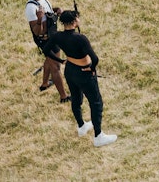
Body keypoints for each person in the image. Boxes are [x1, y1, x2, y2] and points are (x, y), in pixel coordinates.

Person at [42, 10, 118, 147]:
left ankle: (81, 126)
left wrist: (60, 60)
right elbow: (95, 58)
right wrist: (92, 68)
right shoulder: (80, 38)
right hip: (84, 72)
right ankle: (98, 136)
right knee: (96, 103)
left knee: (76, 99)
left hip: (70, 70)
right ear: (74, 21)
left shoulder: (57, 36)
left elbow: (46, 50)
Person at [24, 0, 69, 101]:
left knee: (49, 61)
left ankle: (45, 84)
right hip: (44, 40)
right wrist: (39, 19)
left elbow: (48, 11)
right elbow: (37, 31)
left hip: (52, 35)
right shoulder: (31, 8)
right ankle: (63, 97)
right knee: (56, 67)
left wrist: (56, 10)